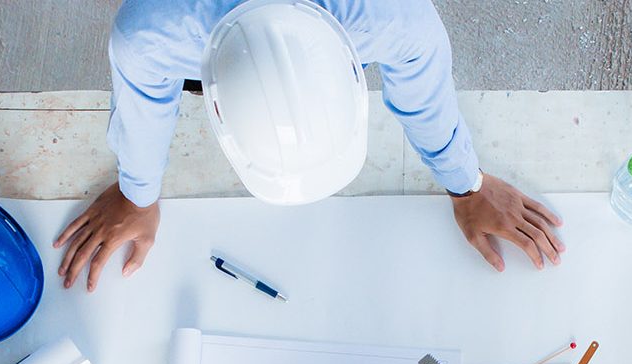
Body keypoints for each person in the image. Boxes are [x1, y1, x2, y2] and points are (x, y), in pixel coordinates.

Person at [55, 0, 565, 291]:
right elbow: (143, 95)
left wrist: (467, 184)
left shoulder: (395, 18)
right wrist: (136, 192)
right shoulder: (155, 30)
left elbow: (424, 85)